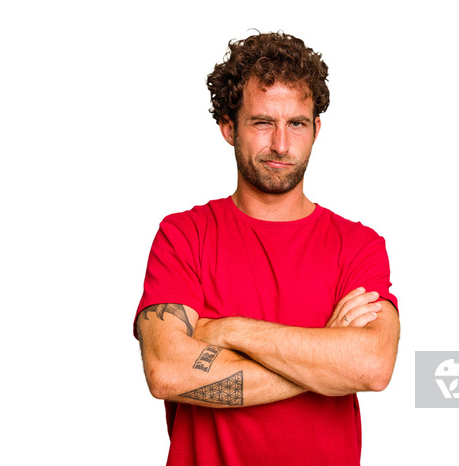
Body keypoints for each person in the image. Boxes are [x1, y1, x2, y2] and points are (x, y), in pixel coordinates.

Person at [134, 31, 400, 466]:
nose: (280, 144)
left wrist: (226, 331)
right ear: (227, 127)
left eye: (296, 123)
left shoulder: (358, 246)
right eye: (262, 122)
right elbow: (168, 372)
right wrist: (326, 358)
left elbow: (371, 365)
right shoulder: (184, 235)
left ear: (315, 129)